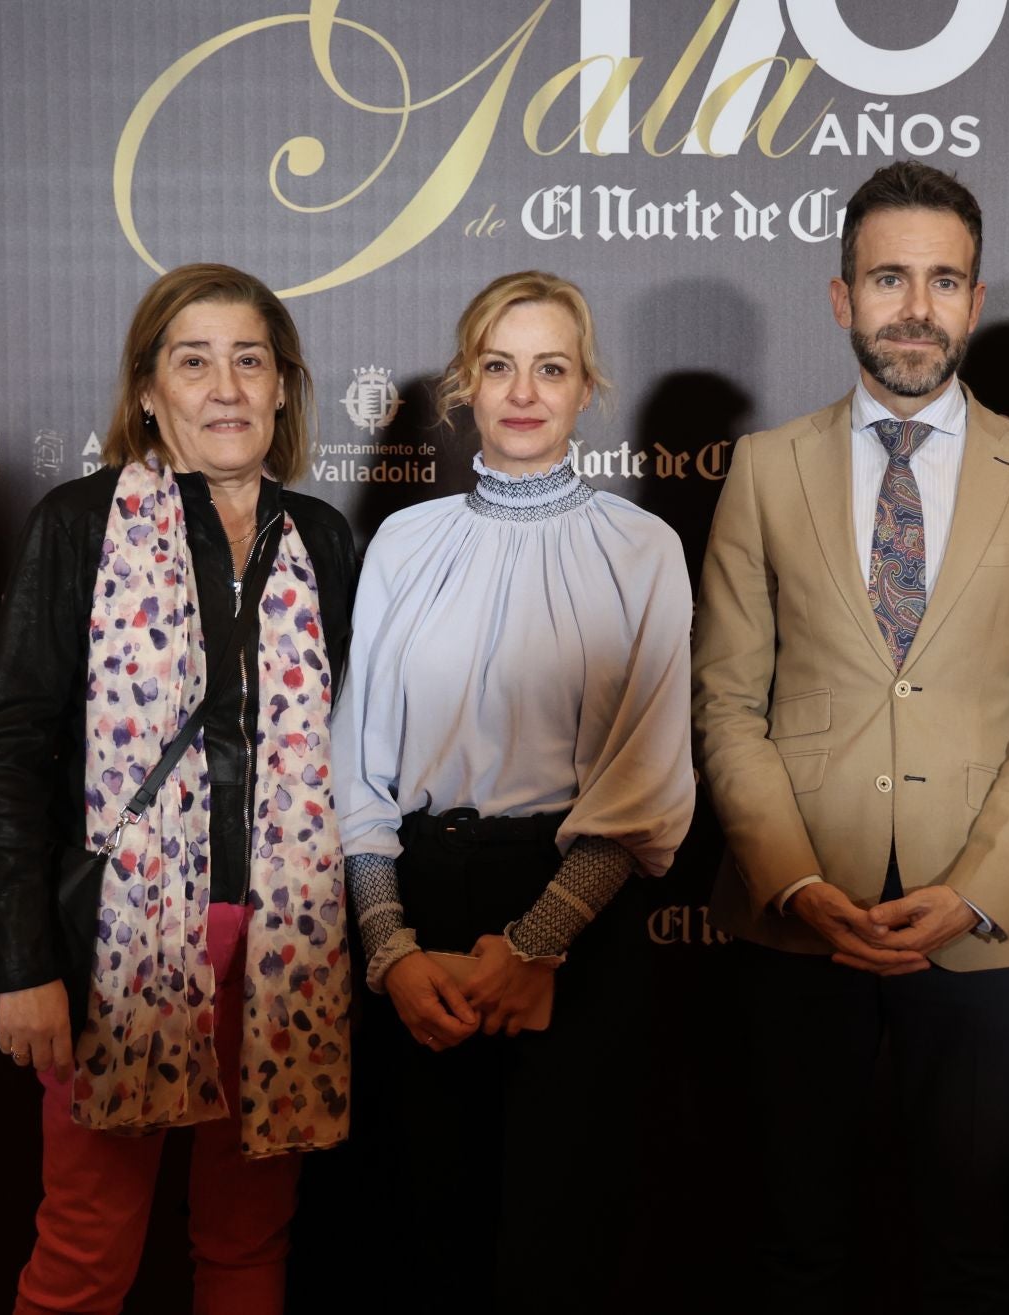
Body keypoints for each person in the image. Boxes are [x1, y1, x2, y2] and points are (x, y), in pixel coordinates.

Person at [692, 160, 1009, 1314]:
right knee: (796, 1241)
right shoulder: (764, 468)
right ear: (841, 297)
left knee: (968, 1249)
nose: (915, 307)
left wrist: (979, 888)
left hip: (984, 919)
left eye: (943, 281)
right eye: (888, 278)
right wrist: (793, 882)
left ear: (974, 302)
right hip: (797, 919)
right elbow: (727, 699)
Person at [0, 263, 359, 1313]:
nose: (226, 386)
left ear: (284, 388)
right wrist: (21, 957)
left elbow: (356, 754)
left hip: (288, 947)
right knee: (87, 1251)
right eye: (195, 361)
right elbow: (11, 747)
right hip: (118, 949)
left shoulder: (321, 538)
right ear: (149, 388)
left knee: (247, 1245)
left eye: (252, 360)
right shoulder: (80, 524)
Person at [333, 270, 693, 1308]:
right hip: (420, 911)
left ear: (588, 389)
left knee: (558, 1243)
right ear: (465, 386)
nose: (524, 391)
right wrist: (392, 952)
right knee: (422, 1241)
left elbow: (648, 784)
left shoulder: (644, 550)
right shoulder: (404, 542)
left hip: (581, 917)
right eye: (499, 366)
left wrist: (535, 948)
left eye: (551, 368)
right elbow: (358, 769)